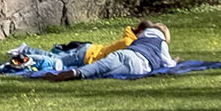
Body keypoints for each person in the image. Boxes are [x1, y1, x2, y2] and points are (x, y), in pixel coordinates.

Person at [46, 21, 176, 80]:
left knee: (101, 65)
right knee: (105, 73)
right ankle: (77, 75)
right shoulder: (161, 43)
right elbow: (168, 64)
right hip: (138, 64)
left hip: (125, 53)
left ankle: (76, 72)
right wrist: (175, 62)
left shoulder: (141, 37)